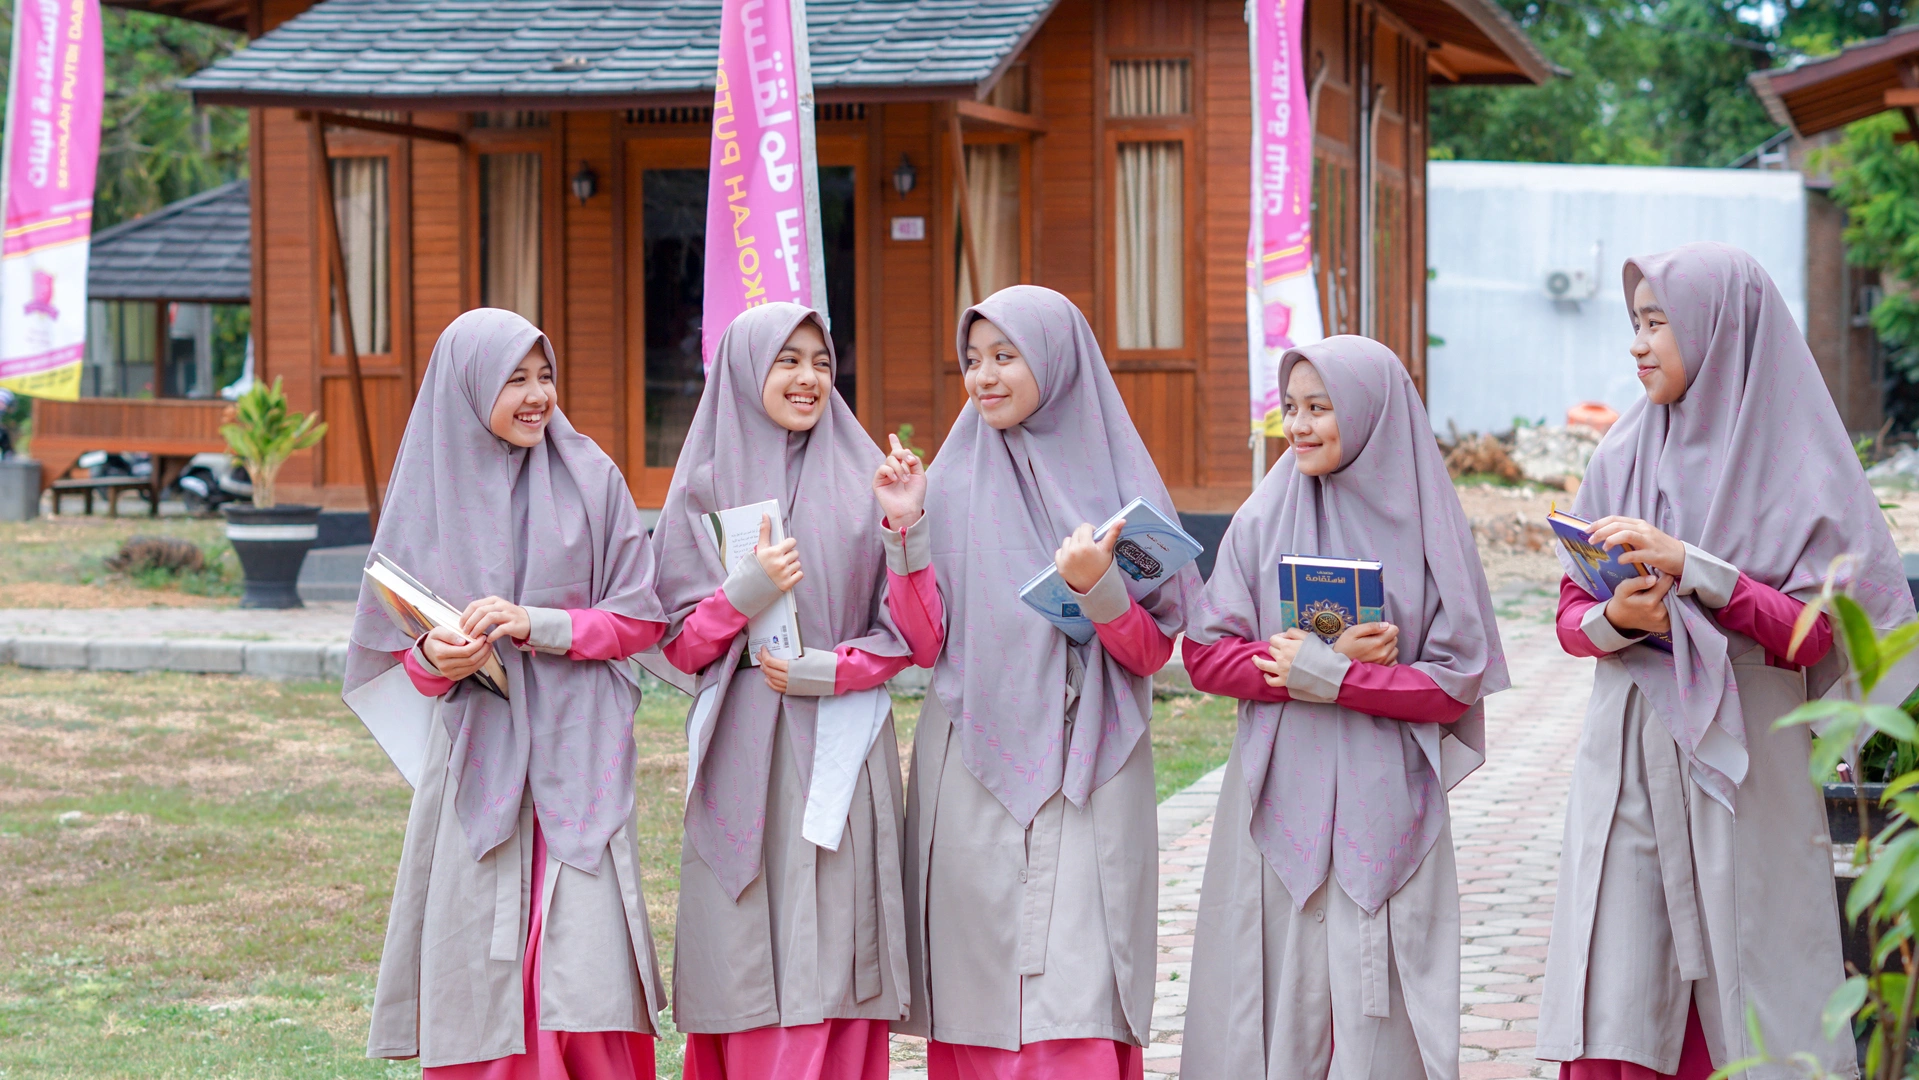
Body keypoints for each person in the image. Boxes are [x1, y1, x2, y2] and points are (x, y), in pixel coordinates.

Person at [1534, 242, 1915, 1080]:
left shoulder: (1798, 462)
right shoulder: (1621, 452)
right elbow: (1569, 617)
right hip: (1629, 756)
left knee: (1755, 997)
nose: (1637, 344)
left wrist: (1693, 568)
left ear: (1719, 327)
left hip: (1745, 761)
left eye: (1657, 322)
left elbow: (1821, 633)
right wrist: (1613, 617)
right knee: (1621, 995)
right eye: (1632, 324)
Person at [873, 284, 1198, 1079]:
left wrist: (1098, 587)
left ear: (1054, 361)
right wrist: (906, 528)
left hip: (1088, 764)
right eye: (973, 360)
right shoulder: (944, 483)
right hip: (971, 759)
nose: (983, 377)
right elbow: (921, 643)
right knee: (975, 979)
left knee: (1076, 983)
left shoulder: (1119, 488)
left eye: (1005, 356)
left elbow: (1151, 652)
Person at [349, 308, 670, 1078]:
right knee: (482, 977)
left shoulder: (592, 476)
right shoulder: (426, 491)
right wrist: (438, 655)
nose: (536, 397)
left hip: (577, 751)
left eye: (545, 376)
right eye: (514, 380)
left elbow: (640, 619)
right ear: (466, 387)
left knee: (581, 971)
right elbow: (394, 653)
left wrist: (538, 624)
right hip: (477, 761)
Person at [1177, 336, 1508, 1079]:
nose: (1298, 426)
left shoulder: (1429, 530)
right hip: (1276, 793)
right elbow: (1203, 655)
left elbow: (1456, 680)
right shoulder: (1262, 519)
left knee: (1379, 1001)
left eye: (1319, 408)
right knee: (1273, 1000)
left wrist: (1332, 674)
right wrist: (1298, 668)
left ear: (1367, 414)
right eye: (1290, 409)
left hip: (1383, 796)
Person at [651, 302, 916, 1080]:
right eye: (787, 361)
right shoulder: (701, 488)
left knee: (832, 947)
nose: (807, 379)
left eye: (821, 362)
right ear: (743, 369)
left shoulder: (867, 476)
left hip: (840, 743)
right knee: (745, 949)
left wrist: (904, 535)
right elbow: (676, 643)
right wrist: (741, 593)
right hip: (743, 744)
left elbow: (913, 636)